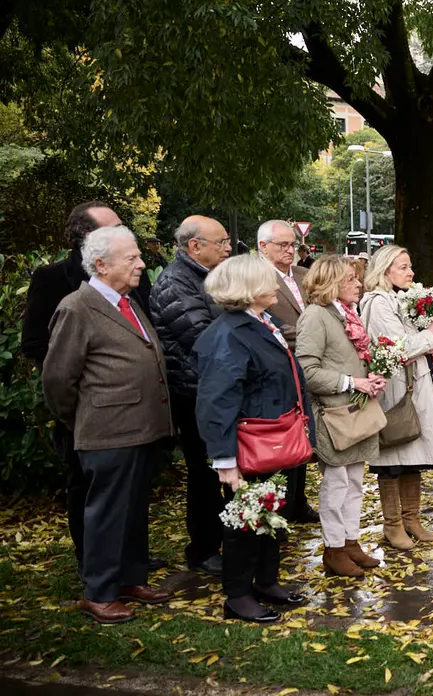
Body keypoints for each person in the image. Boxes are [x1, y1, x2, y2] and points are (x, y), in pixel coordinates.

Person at [42, 226, 176, 624]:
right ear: (101, 265)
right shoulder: (77, 307)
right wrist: (82, 418)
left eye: (139, 256)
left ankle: (131, 578)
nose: (141, 263)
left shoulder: (128, 301)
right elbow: (57, 381)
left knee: (133, 509)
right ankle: (98, 592)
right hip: (107, 431)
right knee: (106, 512)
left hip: (142, 427)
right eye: (132, 258)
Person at [192, 255, 314, 624]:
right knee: (247, 520)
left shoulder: (262, 322)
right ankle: (238, 593)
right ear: (247, 289)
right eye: (267, 281)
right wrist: (224, 461)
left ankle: (266, 581)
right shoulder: (228, 334)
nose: (276, 286)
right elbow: (217, 401)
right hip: (252, 443)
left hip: (277, 438)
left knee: (273, 514)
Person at [21, 202, 142, 574]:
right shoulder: (54, 279)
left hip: (133, 414)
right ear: (87, 239)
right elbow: (38, 345)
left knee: (130, 492)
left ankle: (127, 563)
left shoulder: (132, 277)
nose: (125, 232)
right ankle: (91, 562)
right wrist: (82, 398)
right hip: (87, 412)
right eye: (115, 227)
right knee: (87, 489)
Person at [150, 215, 233, 576]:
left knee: (221, 470)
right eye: (221, 242)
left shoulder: (208, 276)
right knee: (204, 473)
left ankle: (230, 538)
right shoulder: (175, 284)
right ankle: (202, 548)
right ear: (194, 246)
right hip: (195, 392)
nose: (228, 248)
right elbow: (203, 337)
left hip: (213, 389)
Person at [296, 256, 387, 577]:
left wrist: (370, 376)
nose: (358, 284)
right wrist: (351, 382)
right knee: (336, 485)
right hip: (333, 417)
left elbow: (349, 359)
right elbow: (307, 370)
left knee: (354, 484)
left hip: (355, 413)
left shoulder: (346, 313)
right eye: (350, 279)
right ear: (331, 282)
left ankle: (350, 543)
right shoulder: (315, 317)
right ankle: (333, 550)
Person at [359, 247, 433, 550]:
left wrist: (429, 335)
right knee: (393, 456)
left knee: (413, 458)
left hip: (414, 386)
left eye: (410, 267)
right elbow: (397, 348)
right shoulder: (378, 303)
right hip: (396, 389)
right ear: (385, 270)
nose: (411, 273)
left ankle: (412, 518)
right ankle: (393, 524)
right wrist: (431, 334)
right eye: (403, 267)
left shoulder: (401, 300)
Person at [257, 219, 317, 523]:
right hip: (281, 366)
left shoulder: (306, 276)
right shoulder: (257, 279)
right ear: (263, 247)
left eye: (293, 244)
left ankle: (298, 501)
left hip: (312, 366)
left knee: (304, 434)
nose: (290, 250)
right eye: (283, 245)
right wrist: (306, 336)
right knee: (284, 437)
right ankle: (280, 507)